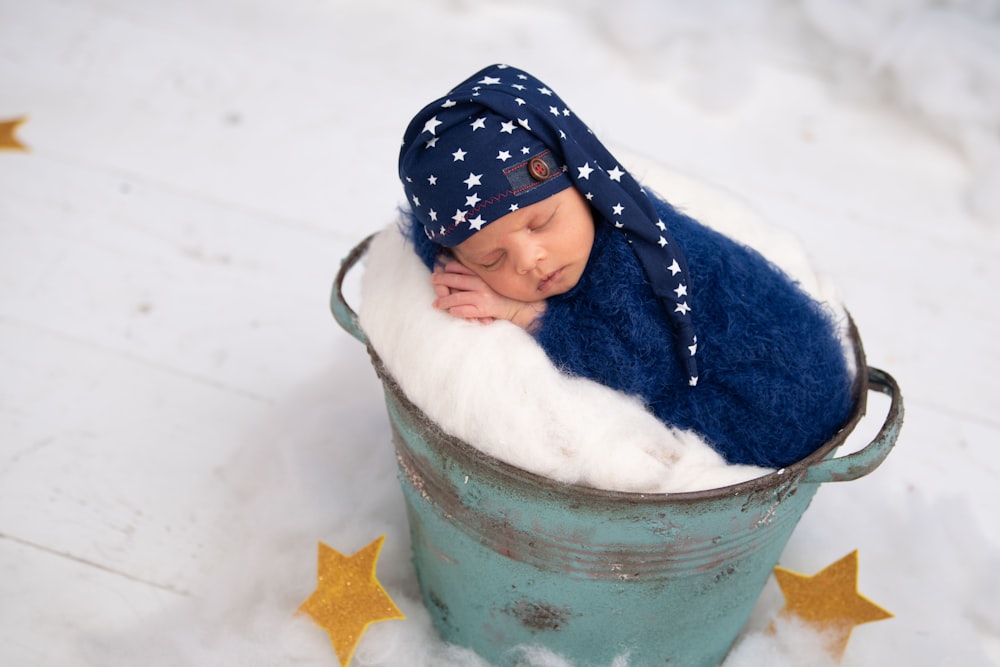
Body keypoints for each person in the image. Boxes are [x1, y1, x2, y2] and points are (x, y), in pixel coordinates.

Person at [397, 64, 854, 469]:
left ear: (584, 184)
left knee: (661, 417)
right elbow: (441, 235)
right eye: (492, 259)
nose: (529, 260)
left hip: (774, 403)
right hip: (790, 379)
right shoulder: (562, 226)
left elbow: (637, 368)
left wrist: (523, 314)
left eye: (543, 222)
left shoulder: (628, 258)